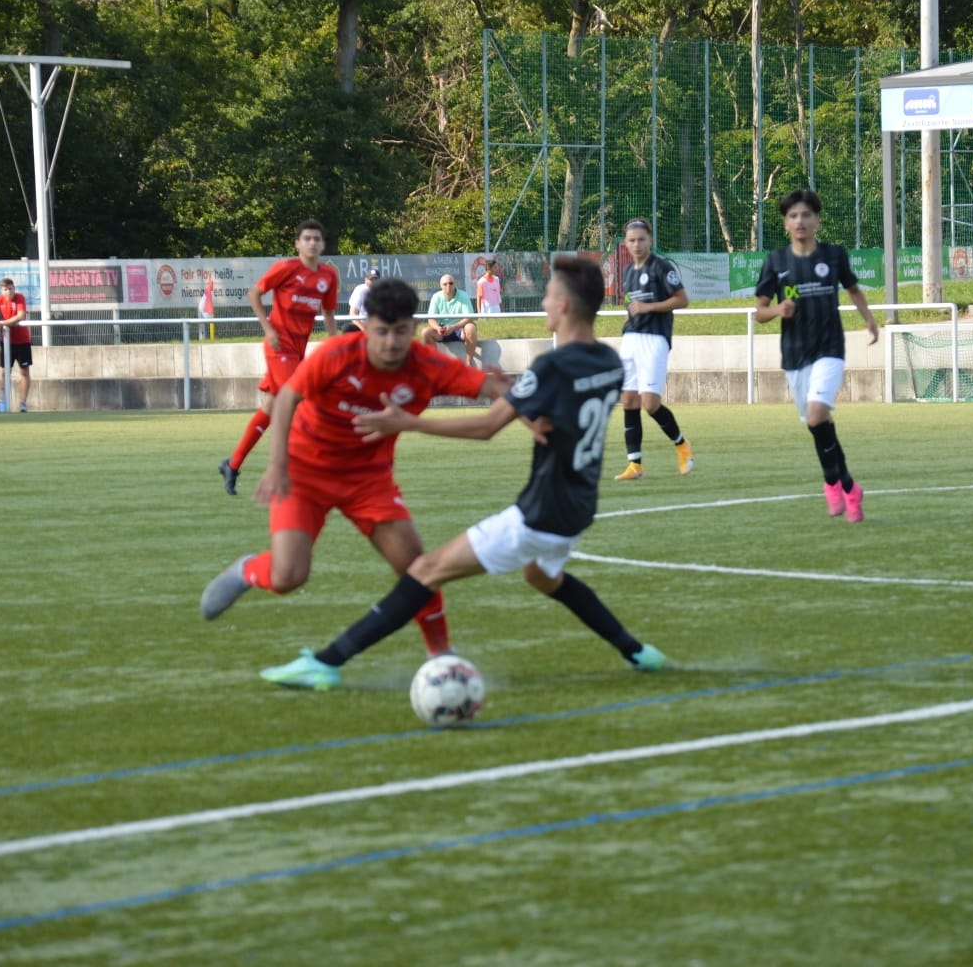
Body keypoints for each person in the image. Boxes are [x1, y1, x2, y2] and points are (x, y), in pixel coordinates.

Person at [259, 255, 666, 691]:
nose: (545, 303)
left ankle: (326, 662)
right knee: (543, 576)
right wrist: (517, 394)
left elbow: (487, 427)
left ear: (564, 305)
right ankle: (637, 651)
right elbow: (553, 407)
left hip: (539, 513)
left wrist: (409, 423)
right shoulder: (608, 362)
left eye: (549, 295)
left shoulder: (550, 366)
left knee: (425, 571)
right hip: (580, 506)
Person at [200, 277, 514, 660]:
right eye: (382, 332)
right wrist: (277, 464)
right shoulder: (338, 353)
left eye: (401, 331)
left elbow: (498, 391)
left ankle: (442, 657)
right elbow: (286, 400)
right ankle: (246, 570)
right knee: (288, 577)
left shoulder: (427, 365)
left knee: (417, 569)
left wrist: (526, 396)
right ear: (367, 326)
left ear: (414, 328)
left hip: (369, 480)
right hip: (305, 472)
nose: (391, 342)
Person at [754, 188, 879, 523]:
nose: (800, 221)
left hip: (829, 349)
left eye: (806, 215)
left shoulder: (834, 255)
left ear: (817, 221)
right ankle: (847, 486)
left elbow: (853, 289)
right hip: (795, 355)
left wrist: (869, 320)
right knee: (819, 424)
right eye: (793, 216)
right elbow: (759, 312)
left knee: (815, 416)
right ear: (785, 223)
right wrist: (778, 309)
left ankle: (833, 483)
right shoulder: (775, 262)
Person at [219, 220, 341, 495]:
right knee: (295, 400)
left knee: (273, 407)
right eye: (307, 238)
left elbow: (328, 312)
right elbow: (254, 293)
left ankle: (233, 464)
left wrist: (335, 344)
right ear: (297, 243)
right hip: (278, 346)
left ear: (323, 244)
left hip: (297, 351)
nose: (312, 243)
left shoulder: (328, 276)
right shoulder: (286, 268)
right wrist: (268, 328)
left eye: (317, 239)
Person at [612, 218, 694, 480]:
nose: (636, 244)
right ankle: (635, 465)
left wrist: (648, 307)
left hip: (655, 338)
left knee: (650, 403)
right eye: (631, 240)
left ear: (650, 240)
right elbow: (631, 306)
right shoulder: (627, 272)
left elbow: (682, 299)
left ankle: (682, 445)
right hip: (631, 338)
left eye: (641, 239)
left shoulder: (661, 266)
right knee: (628, 400)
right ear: (626, 243)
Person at [0, 278, 32, 412]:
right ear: (1, 290)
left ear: (14, 289)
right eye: (5, 289)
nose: (8, 292)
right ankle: (2, 403)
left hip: (22, 341)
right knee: (5, 373)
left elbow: (20, 316)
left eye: (10, 288)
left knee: (24, 372)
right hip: (6, 342)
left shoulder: (20, 298)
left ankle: (23, 403)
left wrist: (1, 323)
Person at [422, 275, 479, 366]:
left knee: (470, 328)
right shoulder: (436, 297)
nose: (448, 286)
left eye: (451, 283)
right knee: (426, 332)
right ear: (440, 286)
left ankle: (469, 362)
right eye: (445, 284)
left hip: (460, 328)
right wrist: (437, 328)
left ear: (455, 284)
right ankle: (434, 363)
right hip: (443, 329)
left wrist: (453, 327)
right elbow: (431, 319)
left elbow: (469, 317)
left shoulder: (463, 295)